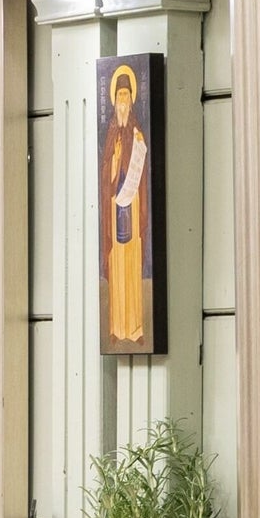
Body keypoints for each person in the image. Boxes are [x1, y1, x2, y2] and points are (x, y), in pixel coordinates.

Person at [101, 61, 154, 353]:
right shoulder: (112, 136)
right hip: (113, 209)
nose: (122, 101)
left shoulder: (137, 136)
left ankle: (134, 328)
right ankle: (115, 327)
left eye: (126, 96)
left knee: (130, 268)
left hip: (131, 210)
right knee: (117, 267)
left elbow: (140, 174)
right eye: (118, 96)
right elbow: (106, 170)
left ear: (131, 99)